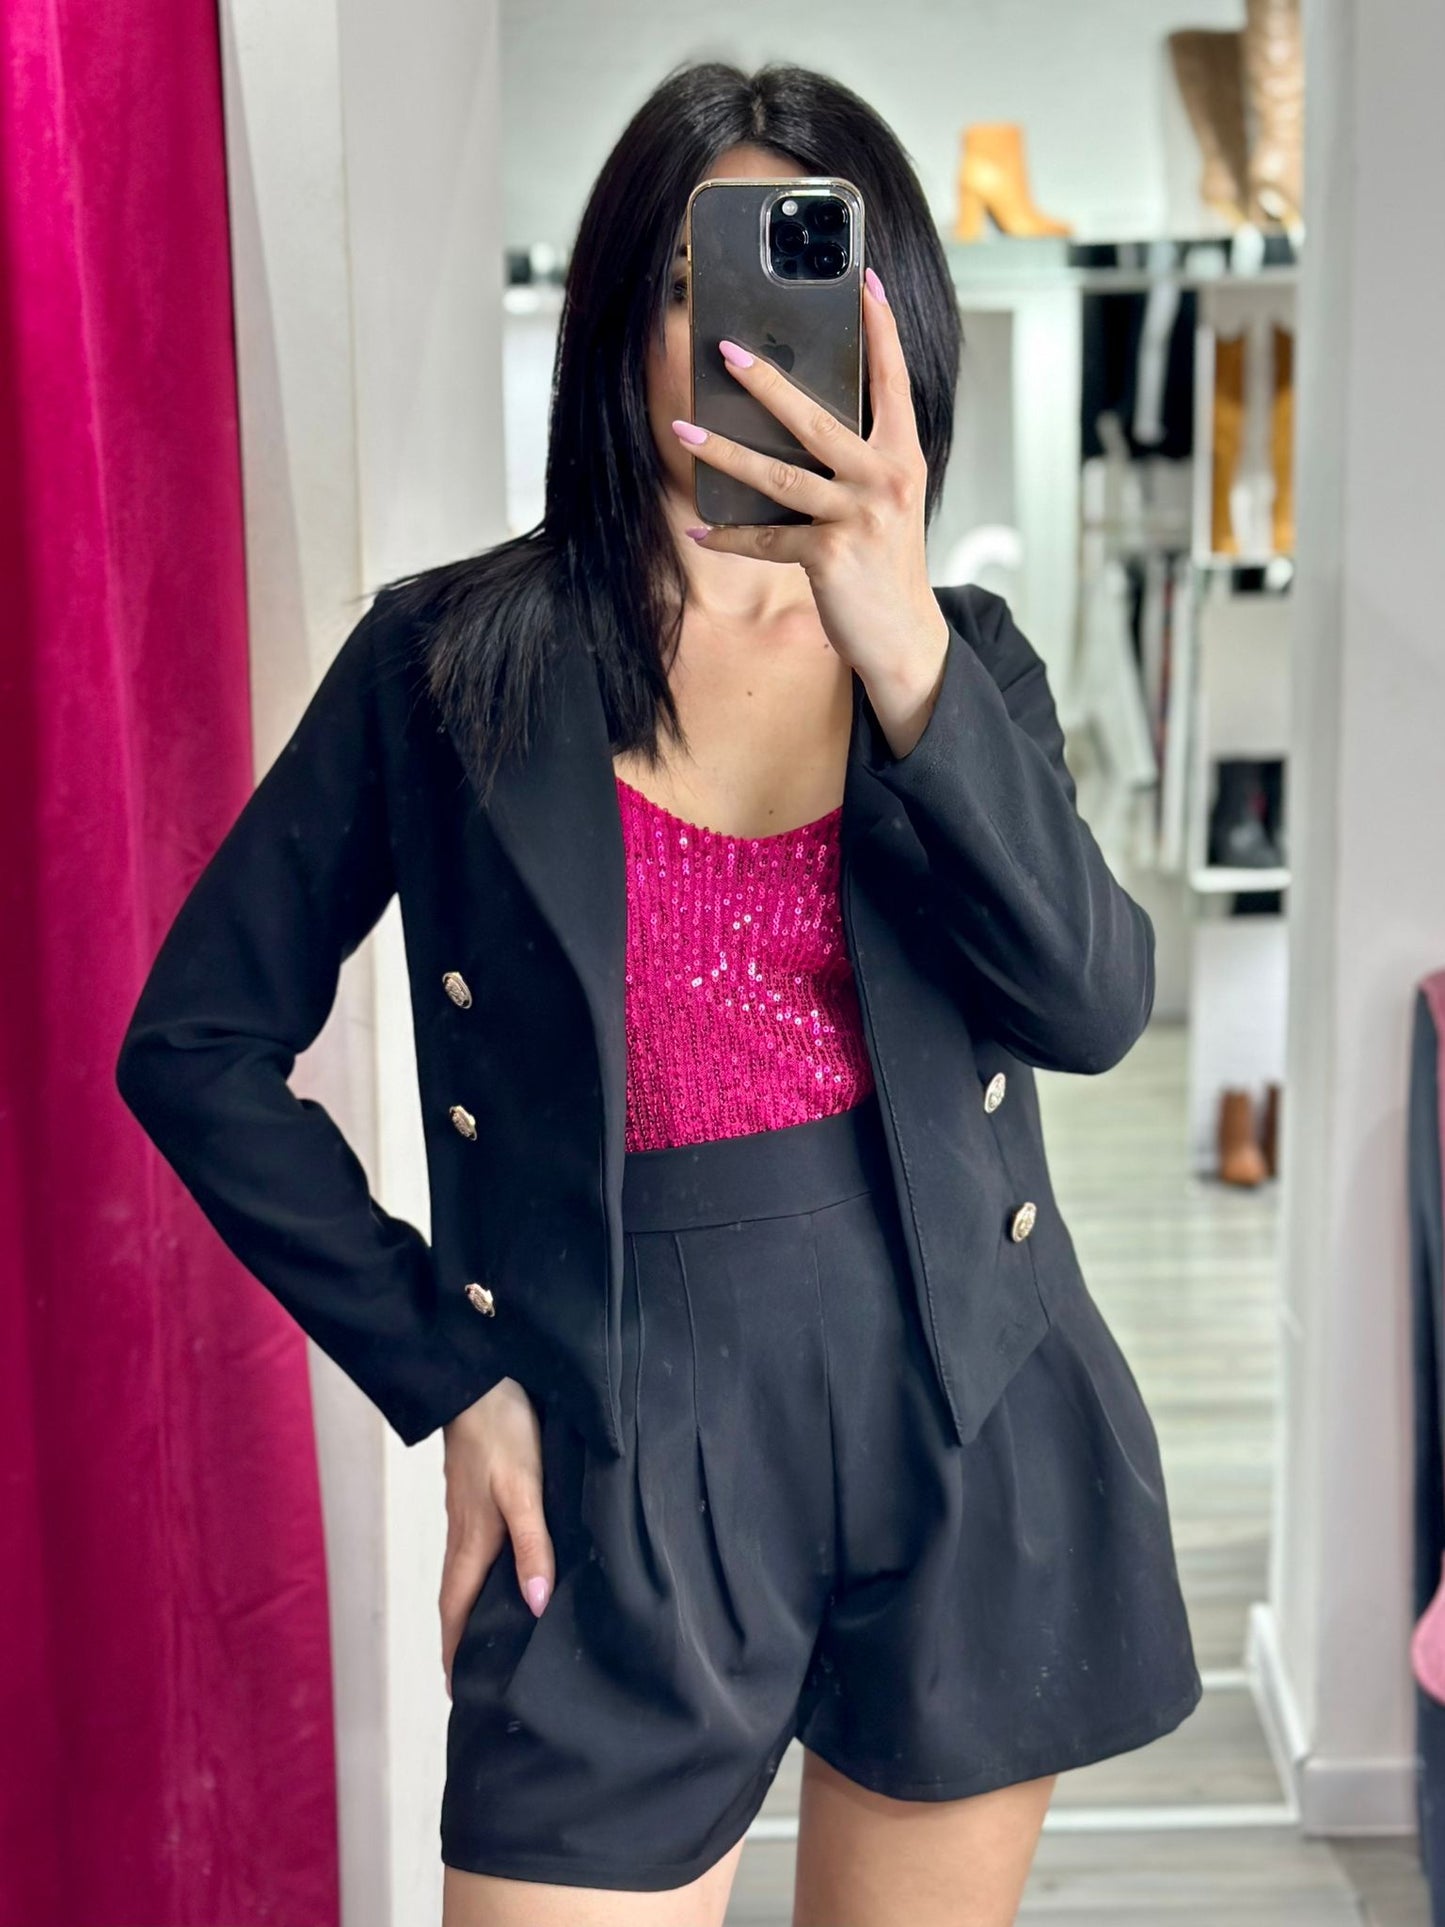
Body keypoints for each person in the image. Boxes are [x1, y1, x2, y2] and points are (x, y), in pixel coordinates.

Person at [116, 58, 1202, 1927]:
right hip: (609, 1448)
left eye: (801, 283)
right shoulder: (445, 666)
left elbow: (1093, 1007)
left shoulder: (960, 666)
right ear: (623, 324)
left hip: (962, 1416)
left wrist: (896, 637)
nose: (741, 343)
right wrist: (445, 1372)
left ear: (893, 335)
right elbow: (195, 1046)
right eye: (695, 288)